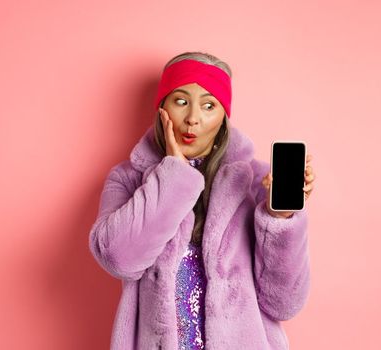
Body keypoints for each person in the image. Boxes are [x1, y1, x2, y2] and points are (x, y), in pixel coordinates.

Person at [89, 51, 316, 349]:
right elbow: (119, 259)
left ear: (223, 118)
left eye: (209, 105)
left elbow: (284, 303)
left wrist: (279, 219)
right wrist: (172, 175)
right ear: (162, 108)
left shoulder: (256, 184)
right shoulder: (129, 179)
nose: (193, 118)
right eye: (181, 101)